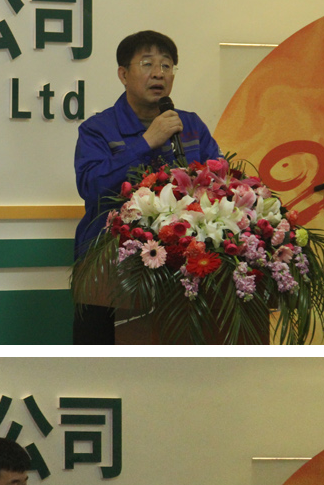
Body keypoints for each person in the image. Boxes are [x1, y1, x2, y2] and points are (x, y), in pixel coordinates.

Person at [73, 27, 222, 342]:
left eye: (166, 65)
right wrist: (145, 142)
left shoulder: (191, 126)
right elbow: (91, 187)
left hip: (183, 268)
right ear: (123, 74)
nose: (159, 73)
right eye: (147, 64)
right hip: (110, 271)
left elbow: (220, 184)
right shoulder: (98, 129)